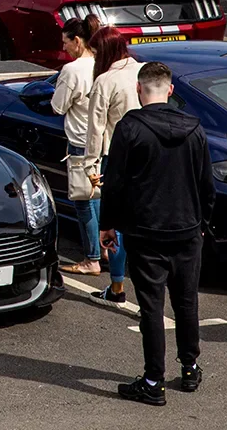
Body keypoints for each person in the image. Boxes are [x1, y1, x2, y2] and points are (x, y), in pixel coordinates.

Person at [100, 61, 213, 406]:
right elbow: (206, 184)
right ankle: (191, 366)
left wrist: (107, 225)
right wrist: (203, 223)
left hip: (146, 232)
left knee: (151, 307)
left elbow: (115, 184)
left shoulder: (129, 128)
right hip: (187, 229)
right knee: (186, 300)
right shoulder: (195, 129)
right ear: (171, 90)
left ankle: (153, 380)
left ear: (139, 90)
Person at [84, 26, 142, 310]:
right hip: (150, 155)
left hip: (114, 157)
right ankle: (148, 291)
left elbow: (95, 130)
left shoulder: (105, 81)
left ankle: (117, 286)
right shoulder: (144, 70)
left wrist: (90, 166)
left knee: (116, 226)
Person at [52, 16, 103, 276]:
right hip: (103, 143)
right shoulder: (103, 65)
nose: (65, 49)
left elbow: (58, 106)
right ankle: (105, 249)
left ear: (77, 40)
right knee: (100, 199)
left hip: (80, 143)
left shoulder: (72, 70)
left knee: (84, 202)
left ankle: (92, 257)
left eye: (66, 43)